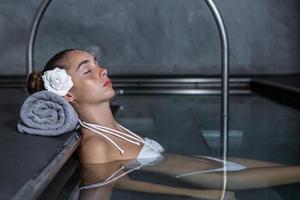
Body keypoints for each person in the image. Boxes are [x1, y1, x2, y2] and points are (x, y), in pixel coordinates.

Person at [27, 49, 300, 199]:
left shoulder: (114, 128)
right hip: (208, 178)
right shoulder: (96, 144)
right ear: (69, 94)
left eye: (98, 63)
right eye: (87, 70)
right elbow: (120, 185)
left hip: (213, 162)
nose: (102, 70)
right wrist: (194, 196)